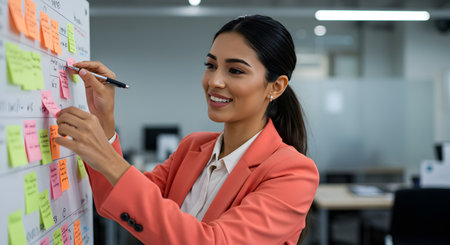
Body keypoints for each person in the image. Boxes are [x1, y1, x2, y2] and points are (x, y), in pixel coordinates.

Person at [56, 15, 319, 244]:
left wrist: (111, 161)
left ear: (276, 87)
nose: (214, 81)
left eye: (235, 71)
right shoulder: (193, 147)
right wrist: (104, 123)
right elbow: (116, 201)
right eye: (211, 65)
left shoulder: (293, 173)